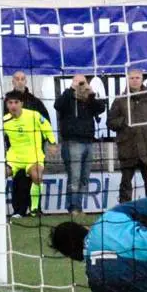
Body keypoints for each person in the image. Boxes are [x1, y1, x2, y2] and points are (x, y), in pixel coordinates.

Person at [54, 75, 106, 215]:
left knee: (84, 177)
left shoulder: (89, 100)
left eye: (83, 82)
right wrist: (72, 89)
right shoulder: (67, 97)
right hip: (72, 142)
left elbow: (101, 108)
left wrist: (90, 93)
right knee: (74, 176)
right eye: (78, 82)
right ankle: (73, 207)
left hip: (88, 142)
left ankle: (78, 206)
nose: (81, 85)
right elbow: (57, 105)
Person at [107, 69, 147, 203]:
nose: (134, 80)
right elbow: (110, 122)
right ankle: (124, 212)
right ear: (127, 79)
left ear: (142, 79)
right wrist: (124, 122)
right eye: (132, 78)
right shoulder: (120, 100)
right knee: (125, 182)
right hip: (127, 147)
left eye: (137, 78)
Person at [4, 90, 58, 218]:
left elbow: (47, 127)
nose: (13, 105)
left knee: (37, 176)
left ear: (21, 103)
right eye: (10, 103)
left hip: (33, 155)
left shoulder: (34, 115)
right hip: (14, 156)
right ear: (7, 105)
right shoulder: (4, 121)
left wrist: (52, 142)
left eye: (16, 102)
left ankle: (34, 209)